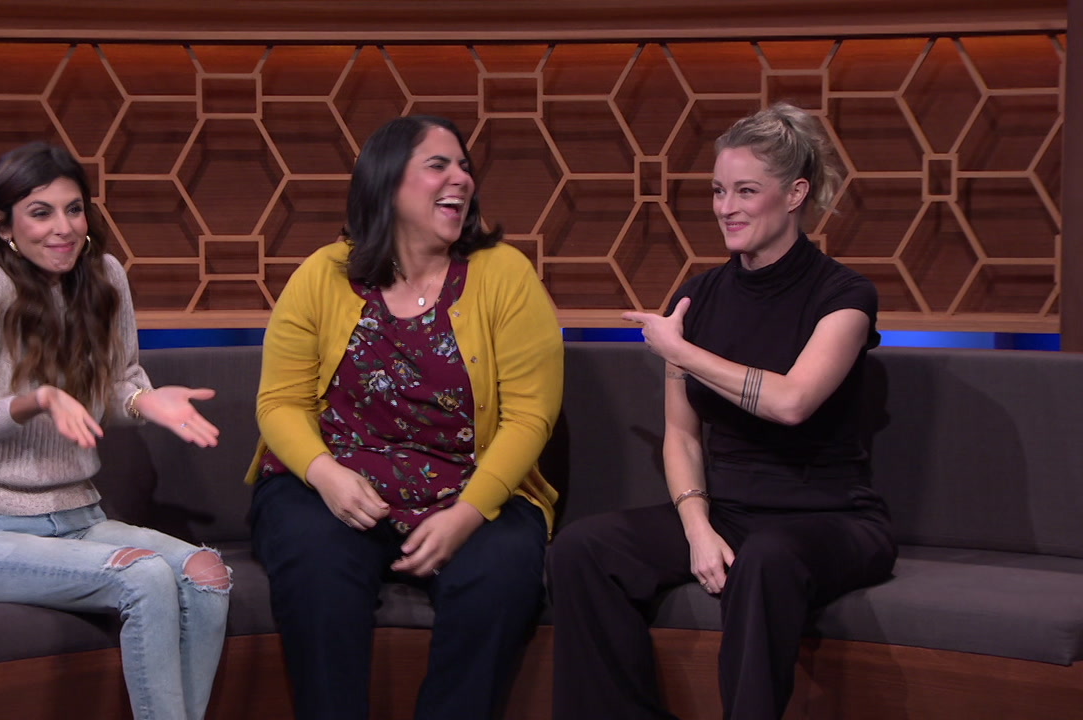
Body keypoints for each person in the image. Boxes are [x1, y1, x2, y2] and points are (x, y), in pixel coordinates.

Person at [547, 103, 898, 720]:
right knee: (581, 550)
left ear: (795, 195)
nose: (726, 207)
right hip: (729, 513)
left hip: (832, 518)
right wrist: (698, 528)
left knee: (765, 559)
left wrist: (681, 352)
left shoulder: (845, 295)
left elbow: (792, 402)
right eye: (717, 191)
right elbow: (681, 437)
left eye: (745, 191)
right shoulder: (698, 297)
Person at [246, 114, 563, 720]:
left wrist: (468, 514)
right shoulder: (323, 274)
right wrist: (326, 475)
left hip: (471, 487)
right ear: (387, 182)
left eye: (464, 166)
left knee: (500, 576)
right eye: (438, 165)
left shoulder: (505, 275)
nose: (460, 178)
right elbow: (279, 402)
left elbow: (530, 417)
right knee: (315, 565)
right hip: (334, 486)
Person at [0, 142, 231, 720]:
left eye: (73, 209)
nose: (62, 228)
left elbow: (116, 387)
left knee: (205, 573)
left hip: (80, 516)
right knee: (144, 576)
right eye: (40, 213)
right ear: (4, 224)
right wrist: (33, 401)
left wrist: (144, 400)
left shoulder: (104, 276)